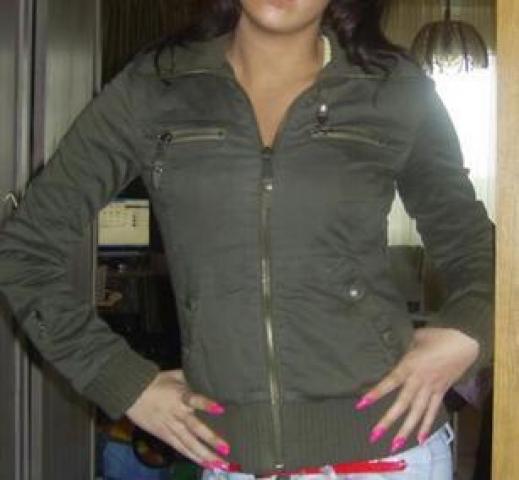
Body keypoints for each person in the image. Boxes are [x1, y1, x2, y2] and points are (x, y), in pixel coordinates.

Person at [0, 1, 494, 479]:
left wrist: (469, 332)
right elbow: (24, 252)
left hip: (393, 456)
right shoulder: (155, 87)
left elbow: (476, 247)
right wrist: (124, 383)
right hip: (233, 461)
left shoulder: (394, 89)